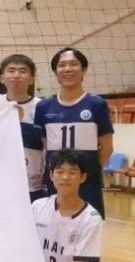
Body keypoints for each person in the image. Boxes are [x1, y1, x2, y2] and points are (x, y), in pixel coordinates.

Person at [34, 48, 114, 216]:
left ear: (83, 70)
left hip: (87, 181)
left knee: (88, 224)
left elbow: (107, 147)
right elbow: (44, 146)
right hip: (55, 181)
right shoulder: (43, 107)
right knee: (52, 224)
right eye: (62, 65)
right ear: (55, 72)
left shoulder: (97, 104)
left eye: (73, 64)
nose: (68, 69)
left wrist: (87, 171)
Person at [0, 54, 45, 201]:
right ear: (2, 78)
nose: (16, 75)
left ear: (31, 79)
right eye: (11, 70)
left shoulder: (42, 107)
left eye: (23, 71)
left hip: (32, 186)